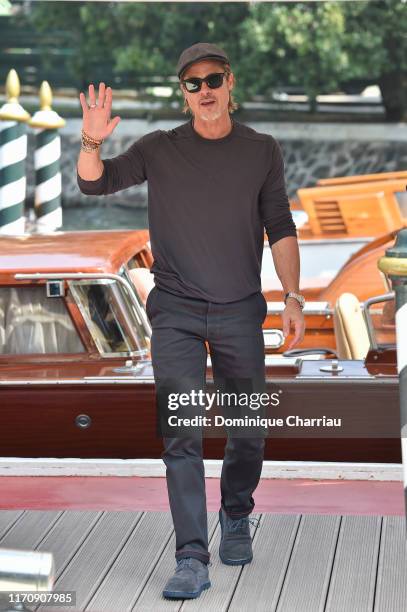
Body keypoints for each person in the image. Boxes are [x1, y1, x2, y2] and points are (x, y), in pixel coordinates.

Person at [77, 42, 305, 600]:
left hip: (239, 310)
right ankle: (190, 557)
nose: (204, 91)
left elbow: (280, 225)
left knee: (249, 431)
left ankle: (235, 511)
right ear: (184, 94)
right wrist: (90, 140)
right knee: (181, 434)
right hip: (176, 312)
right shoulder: (158, 149)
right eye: (193, 84)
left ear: (231, 83)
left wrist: (293, 296)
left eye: (213, 80)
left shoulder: (262, 150)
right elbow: (94, 181)